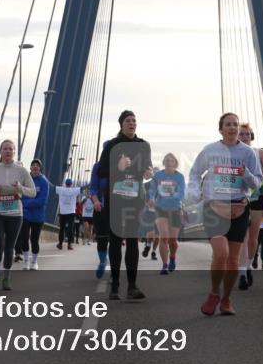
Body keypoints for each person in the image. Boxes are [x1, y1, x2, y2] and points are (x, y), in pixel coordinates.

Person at [189, 112, 263, 316]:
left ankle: (227, 298)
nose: (232, 128)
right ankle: (214, 293)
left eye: (235, 125)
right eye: (228, 124)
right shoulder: (210, 150)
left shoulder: (248, 153)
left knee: (232, 260)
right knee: (221, 254)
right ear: (220, 129)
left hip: (239, 207)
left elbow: (257, 183)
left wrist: (245, 173)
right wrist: (195, 194)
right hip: (214, 207)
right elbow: (195, 173)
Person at [94, 110, 151, 300]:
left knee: (133, 241)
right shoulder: (112, 145)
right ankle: (116, 285)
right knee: (116, 242)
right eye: (128, 121)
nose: (132, 123)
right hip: (115, 199)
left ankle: (133, 286)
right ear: (121, 124)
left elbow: (147, 166)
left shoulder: (144, 145)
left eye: (134, 120)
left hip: (134, 200)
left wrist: (148, 172)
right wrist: (117, 167)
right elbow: (101, 170)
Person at [0, 139, 36, 290]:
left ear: (14, 152)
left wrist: (20, 188)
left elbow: (33, 192)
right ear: (0, 152)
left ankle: (6, 278)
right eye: (5, 149)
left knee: (9, 247)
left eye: (10, 149)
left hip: (15, 214)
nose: (7, 151)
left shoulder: (22, 171)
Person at [236, 124, 263, 290]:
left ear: (251, 136)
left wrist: (259, 171)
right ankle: (241, 274)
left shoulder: (259, 153)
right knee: (243, 236)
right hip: (238, 197)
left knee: (253, 236)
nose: (245, 136)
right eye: (242, 134)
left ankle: (247, 266)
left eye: (247, 134)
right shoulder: (229, 153)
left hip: (257, 197)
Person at [149, 153, 185, 274]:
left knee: (173, 240)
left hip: (175, 209)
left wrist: (170, 195)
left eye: (171, 161)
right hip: (161, 209)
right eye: (167, 160)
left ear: (175, 163)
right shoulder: (158, 175)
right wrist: (152, 198)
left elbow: (181, 193)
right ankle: (164, 265)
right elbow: (152, 190)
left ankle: (172, 257)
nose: (169, 163)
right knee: (164, 237)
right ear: (164, 163)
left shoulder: (180, 177)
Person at [21, 159, 51, 270]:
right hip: (25, 215)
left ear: (40, 168)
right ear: (30, 167)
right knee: (24, 238)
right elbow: (21, 195)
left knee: (34, 240)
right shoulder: (25, 180)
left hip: (38, 216)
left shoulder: (44, 182)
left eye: (37, 165)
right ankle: (26, 261)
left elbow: (42, 201)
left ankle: (34, 262)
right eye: (33, 165)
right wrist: (26, 203)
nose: (35, 167)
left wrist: (27, 203)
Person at [55, 178, 81, 250]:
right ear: (71, 184)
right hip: (71, 212)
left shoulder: (60, 189)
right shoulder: (74, 190)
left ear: (65, 184)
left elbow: (52, 187)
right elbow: (83, 188)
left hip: (63, 212)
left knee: (62, 229)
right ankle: (69, 245)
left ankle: (60, 244)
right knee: (70, 229)